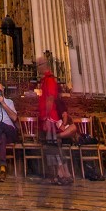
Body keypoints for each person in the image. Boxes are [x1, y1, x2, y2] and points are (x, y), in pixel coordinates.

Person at [36, 54, 71, 185]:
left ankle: (62, 173)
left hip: (50, 118)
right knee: (51, 146)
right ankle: (57, 174)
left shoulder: (50, 80)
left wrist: (46, 118)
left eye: (38, 65)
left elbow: (50, 98)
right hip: (48, 118)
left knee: (53, 146)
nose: (38, 68)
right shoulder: (45, 79)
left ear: (44, 65)